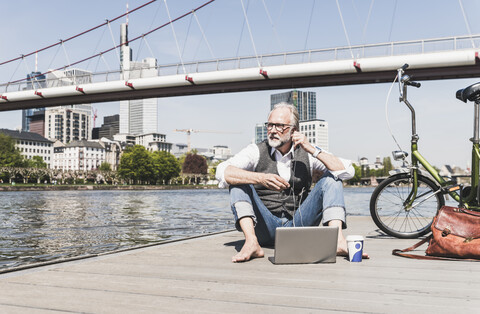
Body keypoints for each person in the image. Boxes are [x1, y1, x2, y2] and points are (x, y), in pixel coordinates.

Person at [216, 102, 362, 263]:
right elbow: (222, 171)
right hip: (265, 226)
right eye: (270, 125)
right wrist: (260, 178)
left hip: (300, 224)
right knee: (238, 181)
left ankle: (339, 241)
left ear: (293, 130)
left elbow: (348, 171)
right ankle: (252, 243)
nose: (272, 130)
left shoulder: (307, 153)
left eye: (279, 126)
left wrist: (313, 149)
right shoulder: (255, 151)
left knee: (332, 179)